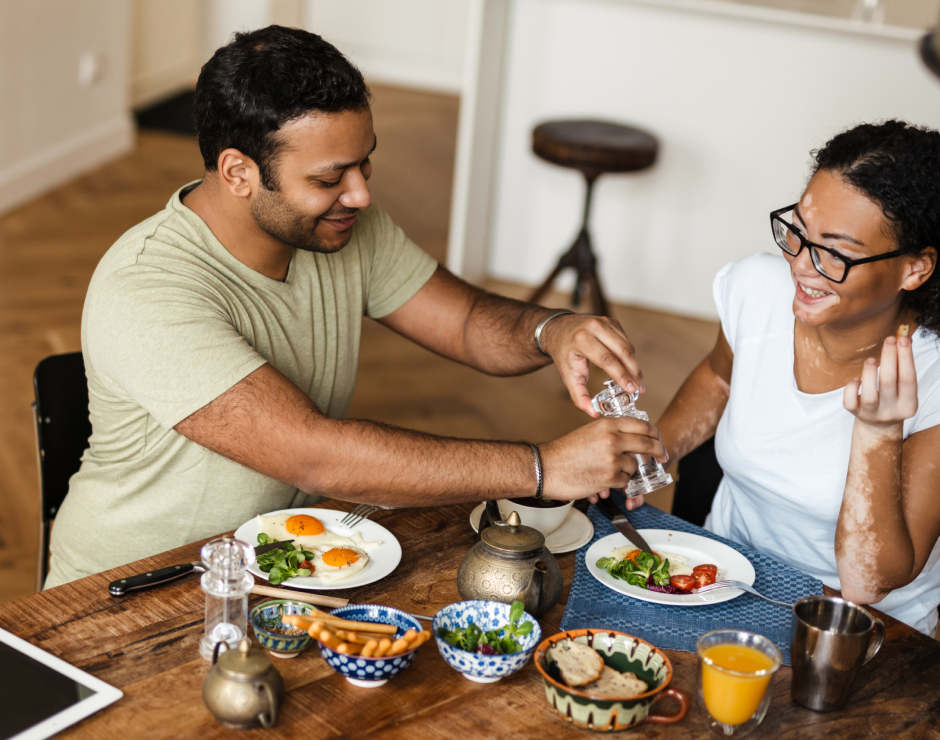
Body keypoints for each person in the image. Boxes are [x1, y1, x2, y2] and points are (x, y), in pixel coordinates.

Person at [44, 27, 666, 588]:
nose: (361, 193)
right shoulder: (148, 287)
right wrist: (543, 468)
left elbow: (469, 323)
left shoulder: (336, 226)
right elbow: (313, 452)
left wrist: (551, 329)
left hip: (286, 562)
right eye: (328, 177)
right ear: (237, 172)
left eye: (365, 162)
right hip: (137, 586)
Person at [656, 120, 940, 635]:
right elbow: (718, 377)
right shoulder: (757, 288)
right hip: (722, 582)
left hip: (856, 628)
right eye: (797, 232)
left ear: (915, 268)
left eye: (836, 252)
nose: (801, 265)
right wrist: (651, 455)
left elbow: (868, 584)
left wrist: (878, 433)